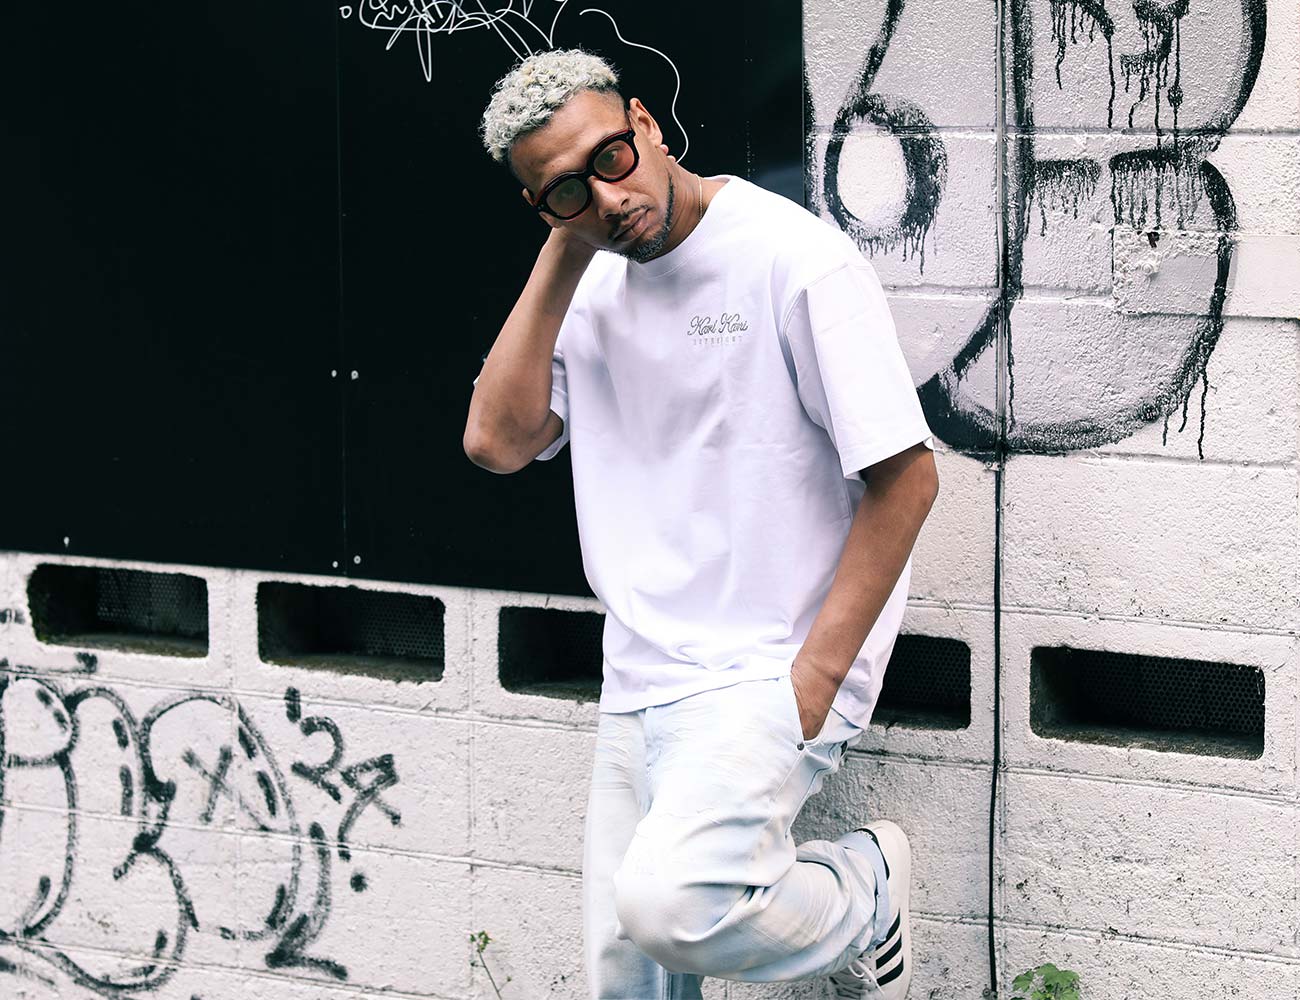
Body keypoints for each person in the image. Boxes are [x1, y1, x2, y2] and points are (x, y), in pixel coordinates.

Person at [464, 48, 938, 1000]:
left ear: (646, 123)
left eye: (611, 157)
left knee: (675, 906)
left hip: (764, 669)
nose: (610, 196)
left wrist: (813, 683)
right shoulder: (589, 281)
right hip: (639, 674)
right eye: (566, 190)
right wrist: (568, 244)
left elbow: (908, 479)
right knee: (626, 983)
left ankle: (863, 887)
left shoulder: (793, 258)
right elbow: (496, 443)